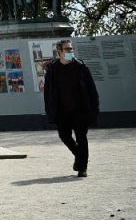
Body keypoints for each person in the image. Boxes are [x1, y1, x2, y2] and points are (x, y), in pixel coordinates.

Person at [43, 38, 100, 177]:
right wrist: (49, 110)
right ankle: (80, 157)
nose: (70, 51)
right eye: (67, 49)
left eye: (71, 49)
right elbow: (47, 93)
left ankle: (82, 168)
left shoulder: (81, 67)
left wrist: (94, 108)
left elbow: (92, 90)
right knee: (64, 136)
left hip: (80, 110)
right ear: (59, 52)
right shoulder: (52, 70)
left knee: (81, 138)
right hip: (62, 111)